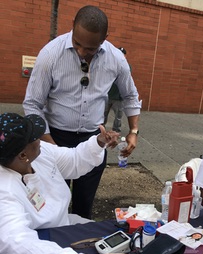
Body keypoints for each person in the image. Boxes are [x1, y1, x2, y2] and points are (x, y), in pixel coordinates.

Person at [23, 5, 141, 219]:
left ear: (105, 38)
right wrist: (50, 145)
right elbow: (32, 104)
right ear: (72, 28)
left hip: (94, 140)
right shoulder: (50, 54)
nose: (81, 52)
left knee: (84, 205)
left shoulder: (116, 59)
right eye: (77, 43)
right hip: (54, 136)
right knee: (53, 204)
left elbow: (131, 95)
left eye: (90, 49)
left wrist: (134, 130)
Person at [0, 112, 121, 254]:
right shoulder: (4, 190)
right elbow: (17, 242)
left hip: (66, 226)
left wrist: (98, 142)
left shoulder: (40, 153)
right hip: (45, 248)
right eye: (34, 136)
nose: (39, 137)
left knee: (117, 238)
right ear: (23, 155)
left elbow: (73, 159)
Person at [104, 47, 130, 133]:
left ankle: (116, 130)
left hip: (119, 97)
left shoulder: (127, 67)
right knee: (103, 114)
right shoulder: (109, 65)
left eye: (123, 54)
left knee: (118, 116)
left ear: (125, 56)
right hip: (108, 94)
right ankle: (101, 128)